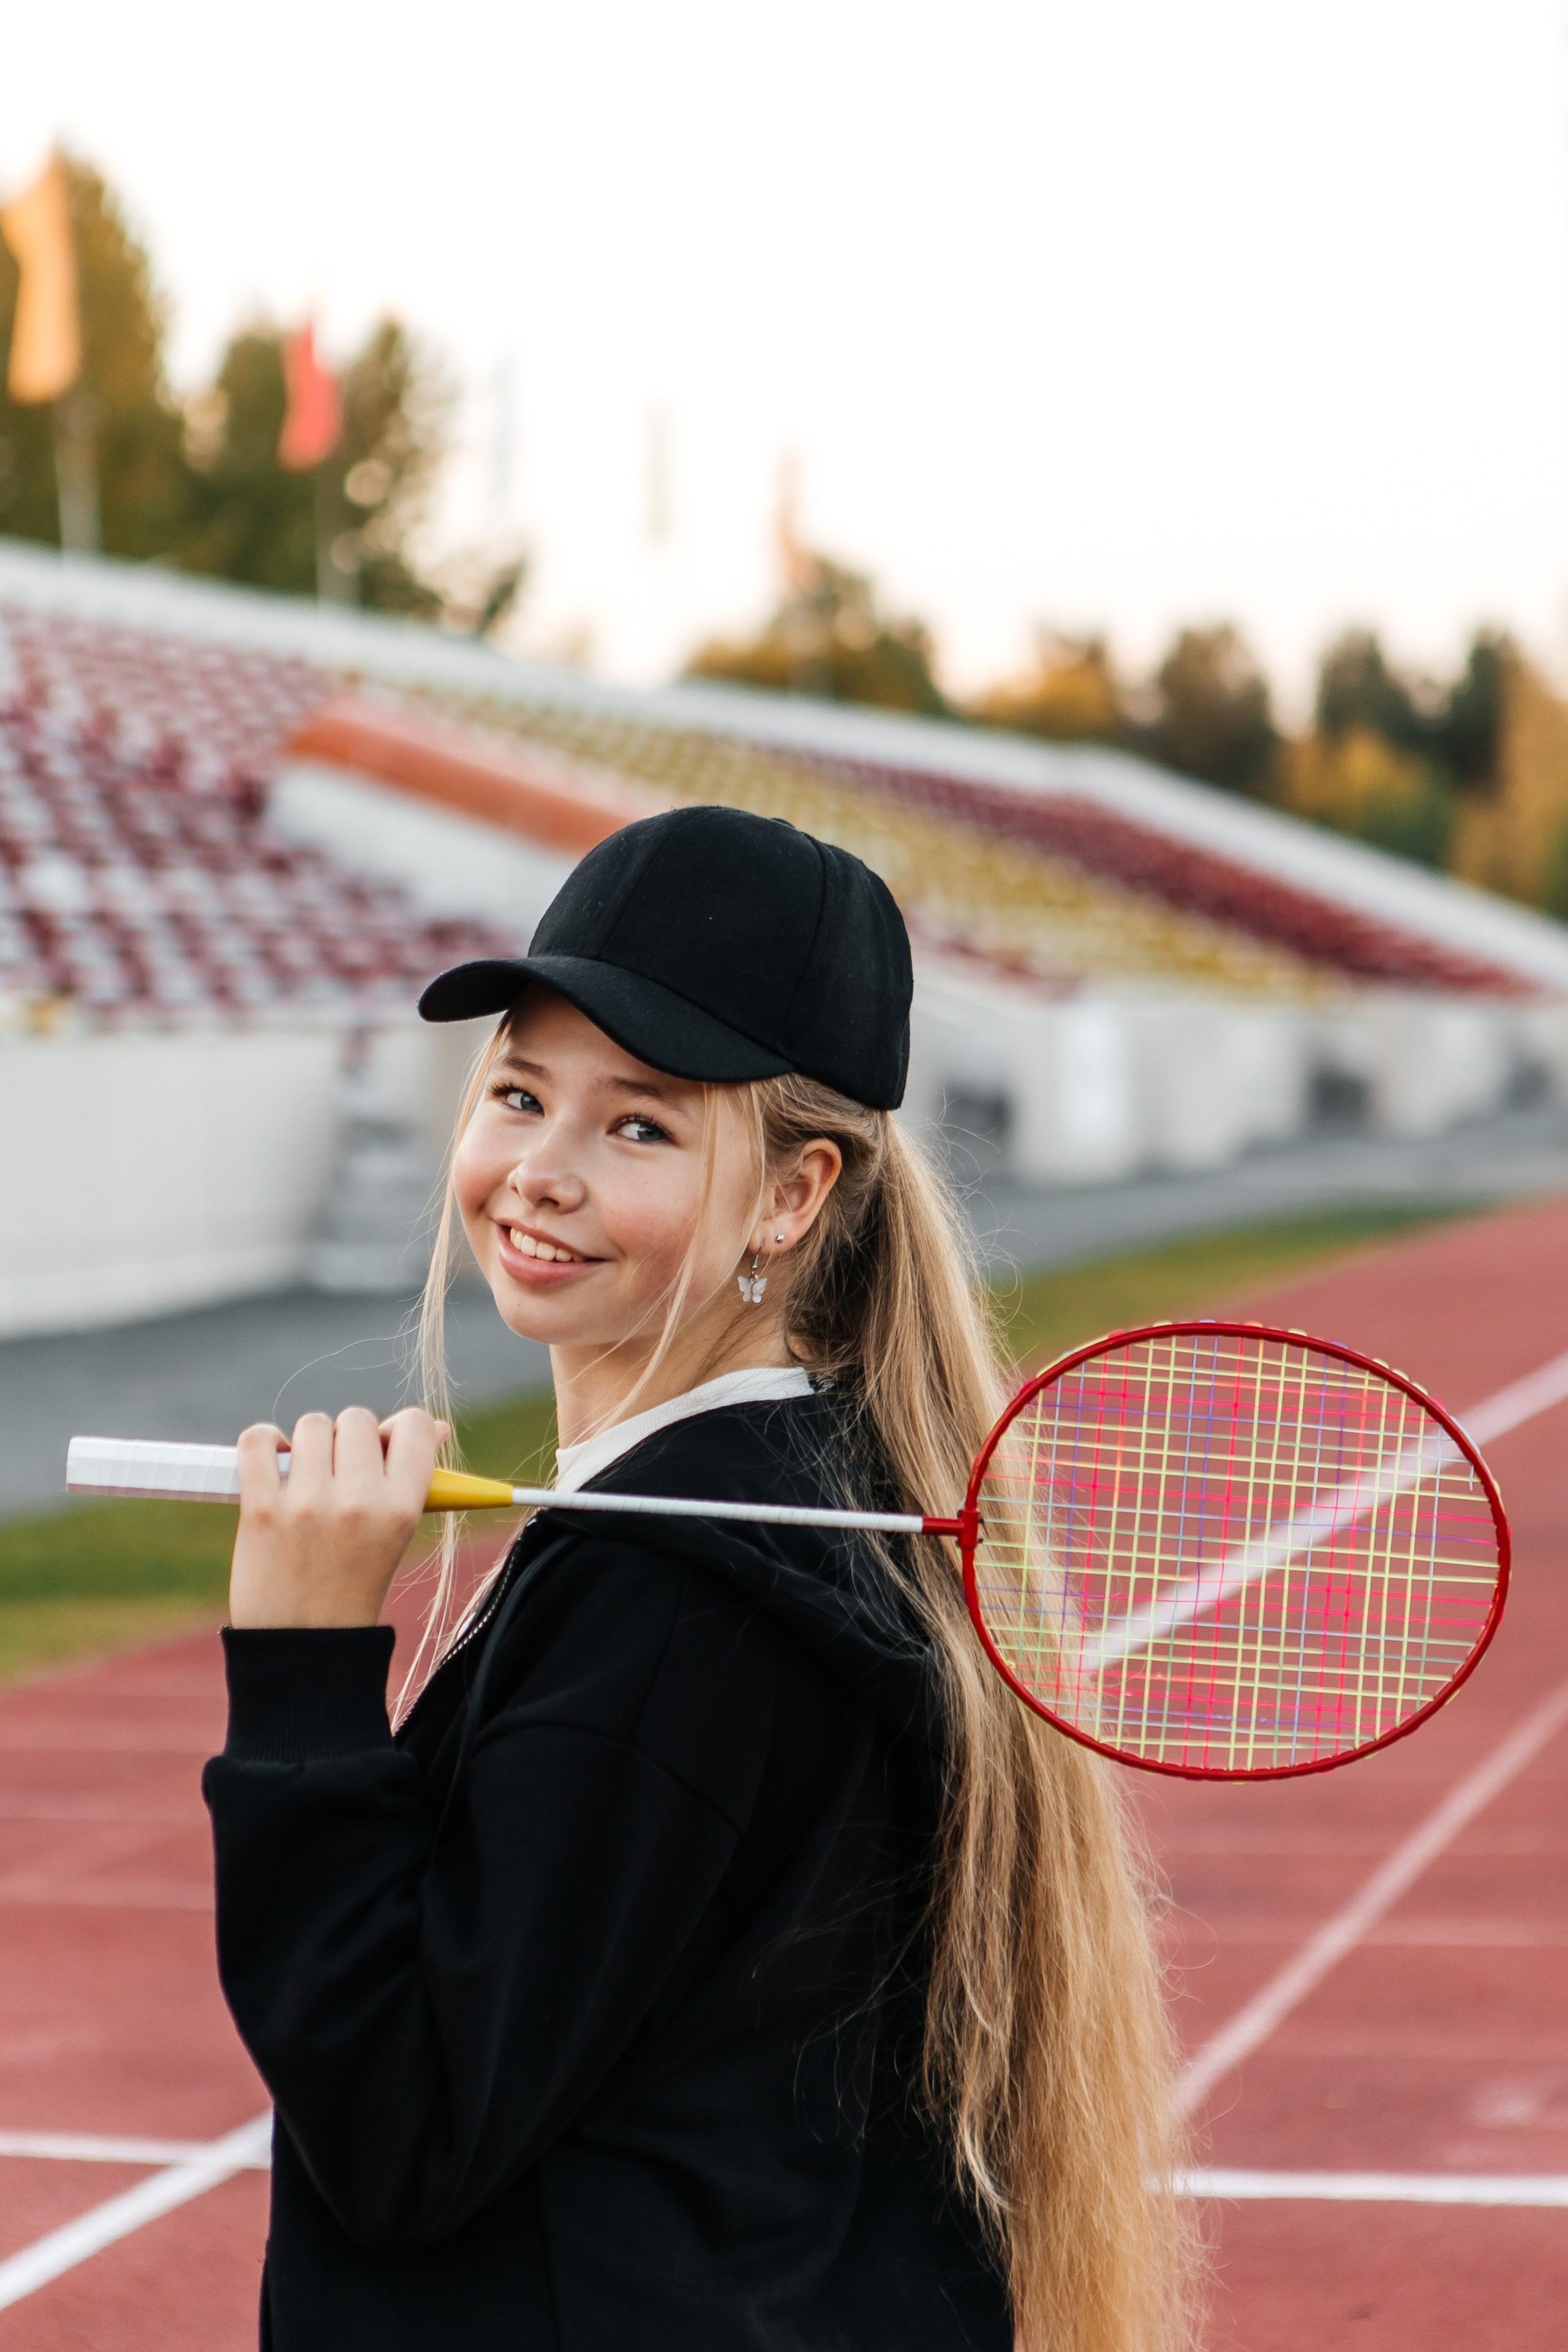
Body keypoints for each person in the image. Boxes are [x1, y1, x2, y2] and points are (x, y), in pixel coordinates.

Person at [203, 805, 1191, 2352]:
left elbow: (400, 2131)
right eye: (520, 1094)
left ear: (793, 1196)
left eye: (639, 1125)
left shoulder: (671, 1603)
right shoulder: (807, 1491)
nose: (539, 1173)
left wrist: (301, 1682)